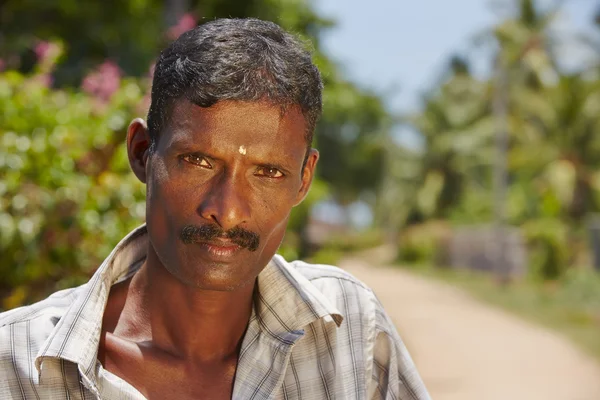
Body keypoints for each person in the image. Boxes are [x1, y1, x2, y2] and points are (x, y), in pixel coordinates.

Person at [0, 18, 430, 400]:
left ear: (304, 179)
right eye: (199, 161)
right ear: (142, 152)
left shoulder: (349, 330)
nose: (227, 212)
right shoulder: (16, 365)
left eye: (268, 173)